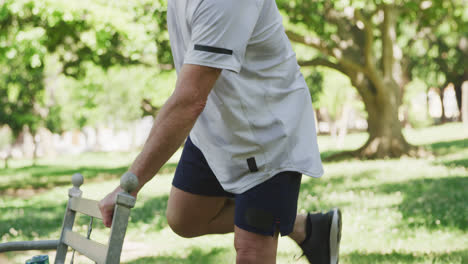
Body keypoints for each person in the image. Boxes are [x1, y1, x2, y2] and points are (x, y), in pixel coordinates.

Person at [99, 0, 342, 263]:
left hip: (264, 134)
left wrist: (130, 184)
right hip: (216, 125)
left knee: (250, 249)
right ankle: (305, 226)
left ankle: (272, 217)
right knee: (185, 218)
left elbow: (189, 99)